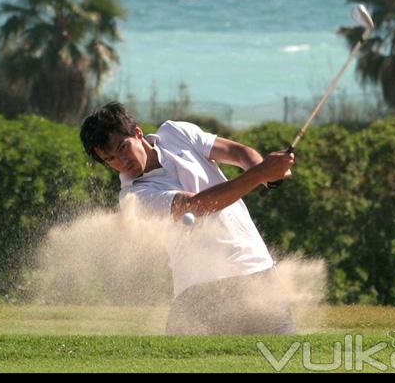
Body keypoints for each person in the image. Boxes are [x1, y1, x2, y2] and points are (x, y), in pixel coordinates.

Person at [80, 101, 296, 335]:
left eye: (123, 147)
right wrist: (260, 174)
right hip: (201, 291)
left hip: (258, 271)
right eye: (110, 159)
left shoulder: (175, 132)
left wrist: (265, 171)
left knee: (280, 360)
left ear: (137, 132)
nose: (122, 162)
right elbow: (196, 206)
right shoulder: (134, 196)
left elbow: (237, 152)